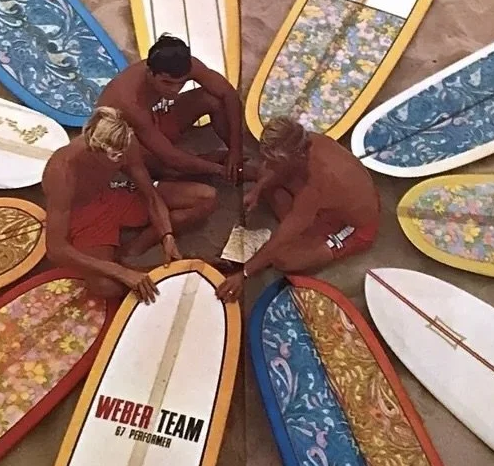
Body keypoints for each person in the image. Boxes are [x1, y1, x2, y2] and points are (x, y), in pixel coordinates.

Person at [41, 106, 217, 303]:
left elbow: (150, 194)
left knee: (206, 198)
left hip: (113, 194)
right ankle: (148, 273)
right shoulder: (63, 171)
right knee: (105, 286)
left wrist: (166, 235)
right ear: (94, 149)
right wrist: (120, 272)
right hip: (85, 217)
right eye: (117, 157)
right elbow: (56, 249)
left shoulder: (125, 142)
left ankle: (135, 248)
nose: (124, 160)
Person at [215, 116, 380, 302]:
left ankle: (319, 242)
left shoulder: (319, 183)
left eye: (274, 161)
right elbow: (276, 171)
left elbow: (285, 234)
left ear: (295, 157)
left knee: (284, 258)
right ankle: (307, 229)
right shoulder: (305, 142)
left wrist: (244, 273)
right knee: (266, 177)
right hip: (323, 203)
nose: (268, 164)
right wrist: (257, 190)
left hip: (353, 227)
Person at [96, 33, 257, 184]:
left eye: (181, 83)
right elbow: (171, 158)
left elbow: (228, 94)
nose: (175, 90)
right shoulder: (130, 101)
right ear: (150, 72)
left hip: (154, 119)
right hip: (126, 139)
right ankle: (216, 161)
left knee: (213, 99)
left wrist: (235, 149)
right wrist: (219, 170)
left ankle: (230, 158)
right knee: (171, 170)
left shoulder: (189, 65)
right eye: (167, 83)